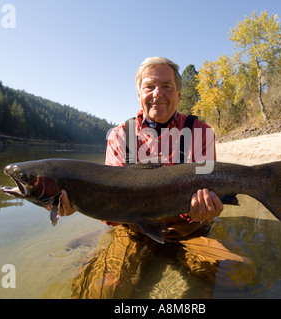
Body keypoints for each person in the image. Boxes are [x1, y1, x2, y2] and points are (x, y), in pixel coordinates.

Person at [59, 57, 256, 298]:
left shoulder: (200, 131)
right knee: (100, 293)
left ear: (180, 94)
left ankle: (175, 257)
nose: (157, 94)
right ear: (139, 93)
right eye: (150, 86)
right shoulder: (120, 135)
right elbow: (110, 207)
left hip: (190, 229)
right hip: (134, 231)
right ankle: (112, 254)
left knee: (239, 275)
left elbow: (212, 189)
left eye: (166, 86)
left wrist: (208, 210)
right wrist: (79, 204)